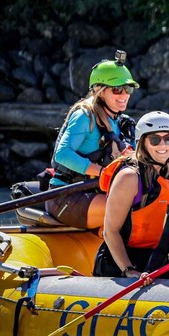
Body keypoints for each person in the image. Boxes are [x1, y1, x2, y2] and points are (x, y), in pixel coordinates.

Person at [46, 50, 138, 229]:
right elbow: (62, 154)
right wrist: (103, 172)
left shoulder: (123, 123)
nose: (124, 95)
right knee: (126, 209)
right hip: (66, 195)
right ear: (100, 91)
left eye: (128, 89)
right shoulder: (84, 115)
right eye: (117, 89)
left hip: (95, 192)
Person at [94, 111, 169, 277]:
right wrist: (129, 270)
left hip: (157, 259)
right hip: (123, 263)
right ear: (142, 142)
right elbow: (110, 231)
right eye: (155, 139)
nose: (163, 145)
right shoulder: (129, 177)